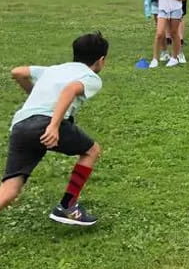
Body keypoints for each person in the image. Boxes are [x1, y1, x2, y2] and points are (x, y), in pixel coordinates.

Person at [2, 32, 109, 226]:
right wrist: (53, 125)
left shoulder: (53, 69)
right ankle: (67, 206)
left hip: (21, 125)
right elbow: (69, 90)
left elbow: (18, 72)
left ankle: (67, 207)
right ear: (101, 60)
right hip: (45, 123)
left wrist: (34, 94)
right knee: (92, 150)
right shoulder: (90, 77)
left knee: (9, 190)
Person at [149, 0, 187, 68]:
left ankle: (174, 57)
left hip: (175, 9)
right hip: (163, 9)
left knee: (174, 33)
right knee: (159, 33)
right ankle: (155, 59)